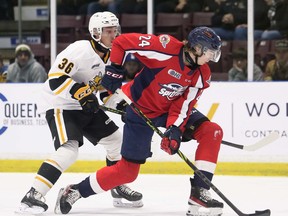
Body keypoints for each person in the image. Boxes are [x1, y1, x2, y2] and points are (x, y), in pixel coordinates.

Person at [56, 27, 225, 216]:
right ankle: (76, 190)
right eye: (210, 52)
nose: (212, 57)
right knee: (127, 172)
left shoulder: (202, 73)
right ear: (197, 48)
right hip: (140, 108)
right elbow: (121, 42)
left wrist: (174, 129)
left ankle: (199, 193)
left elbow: (184, 103)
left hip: (169, 110)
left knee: (212, 131)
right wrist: (115, 69)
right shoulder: (165, 48)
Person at [16, 11, 143, 215]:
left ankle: (116, 186)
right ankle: (33, 195)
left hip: (85, 104)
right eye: (108, 31)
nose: (114, 35)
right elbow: (55, 79)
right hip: (61, 104)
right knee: (69, 150)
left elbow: (105, 91)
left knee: (116, 141)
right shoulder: (79, 50)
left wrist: (122, 107)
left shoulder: (115, 56)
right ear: (95, 33)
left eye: (115, 30)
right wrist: (82, 93)